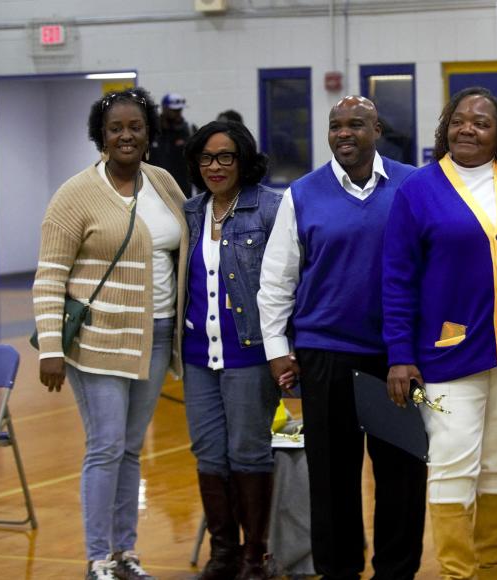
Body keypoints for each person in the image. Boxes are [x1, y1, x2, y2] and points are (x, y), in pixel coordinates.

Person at [257, 96, 426, 580]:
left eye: (356, 124)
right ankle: (338, 569)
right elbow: (277, 280)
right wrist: (277, 350)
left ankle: (397, 571)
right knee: (331, 480)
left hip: (396, 358)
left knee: (402, 477)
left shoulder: (414, 185)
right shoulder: (303, 193)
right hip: (324, 356)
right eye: (336, 126)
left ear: (378, 130)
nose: (344, 133)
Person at [383, 86, 497, 580]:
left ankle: (490, 566)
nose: (467, 128)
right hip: (444, 355)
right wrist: (399, 354)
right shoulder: (418, 189)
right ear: (445, 128)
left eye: (481, 122)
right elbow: (396, 277)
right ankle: (458, 572)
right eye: (458, 120)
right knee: (452, 462)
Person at [32, 87, 188, 580]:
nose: (125, 135)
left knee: (129, 447)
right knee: (105, 446)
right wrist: (50, 349)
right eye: (115, 128)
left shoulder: (163, 183)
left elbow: (187, 243)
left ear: (148, 134)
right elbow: (50, 274)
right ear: (100, 136)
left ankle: (126, 553)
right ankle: (98, 557)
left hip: (157, 336)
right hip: (97, 342)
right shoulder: (75, 193)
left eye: (134, 127)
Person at [182, 121, 282, 580]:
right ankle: (222, 553)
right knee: (209, 454)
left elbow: (286, 284)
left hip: (250, 351)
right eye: (206, 157)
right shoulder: (191, 211)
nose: (215, 166)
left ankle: (252, 555)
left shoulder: (270, 209)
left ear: (244, 160)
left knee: (249, 453)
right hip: (198, 355)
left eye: (225, 157)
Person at [149, 92, 196, 197]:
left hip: (182, 189)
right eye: (174, 111)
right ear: (164, 109)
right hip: (155, 188)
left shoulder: (188, 131)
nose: (178, 114)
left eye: (180, 110)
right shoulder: (151, 132)